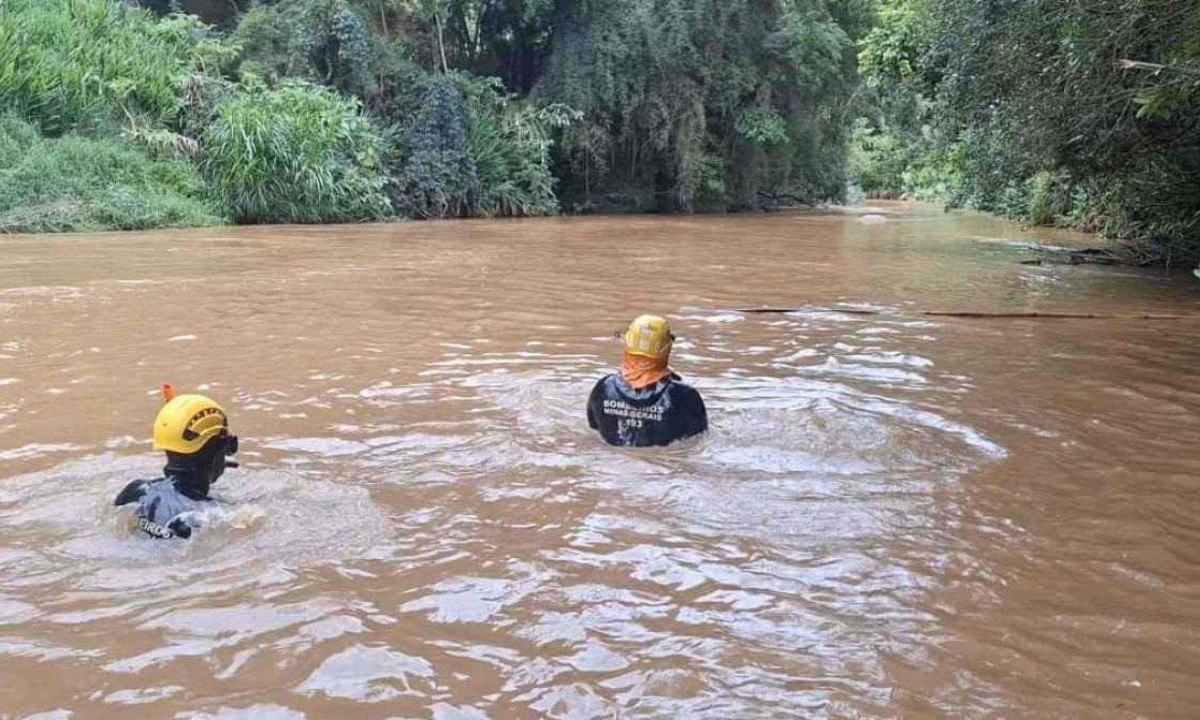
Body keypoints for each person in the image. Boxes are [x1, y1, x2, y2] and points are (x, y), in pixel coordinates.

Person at [114, 385, 239, 539]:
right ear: (219, 449)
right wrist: (212, 465)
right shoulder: (215, 514)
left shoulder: (134, 492)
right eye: (229, 446)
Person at [587, 314, 708, 447]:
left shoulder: (603, 387)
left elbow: (594, 429)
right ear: (667, 348)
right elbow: (699, 439)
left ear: (628, 344)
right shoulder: (685, 395)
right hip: (665, 463)